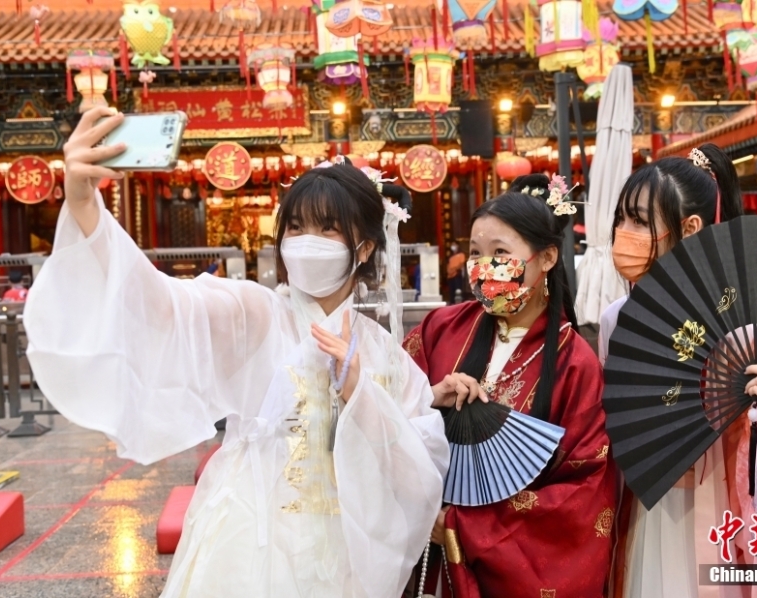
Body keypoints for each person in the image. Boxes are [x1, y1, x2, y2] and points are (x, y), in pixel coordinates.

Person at [23, 107, 449, 598]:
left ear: (366, 248)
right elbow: (158, 304)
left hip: (349, 554)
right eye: (296, 229)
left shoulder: (384, 353)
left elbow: (422, 465)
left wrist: (362, 395)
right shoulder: (256, 312)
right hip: (253, 539)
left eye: (329, 230)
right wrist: (83, 203)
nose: (308, 243)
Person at [599, 144, 757, 598]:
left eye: (640, 220)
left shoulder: (740, 323)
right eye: (621, 218)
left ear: (690, 227)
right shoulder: (616, 319)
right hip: (644, 500)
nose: (624, 231)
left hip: (715, 500)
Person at [404, 174, 617, 597]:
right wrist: (428, 401)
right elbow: (385, 418)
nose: (484, 266)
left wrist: (461, 526)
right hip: (426, 554)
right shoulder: (440, 329)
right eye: (475, 253)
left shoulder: (576, 364)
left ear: (548, 257)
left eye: (500, 253)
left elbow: (585, 489)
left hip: (514, 568)